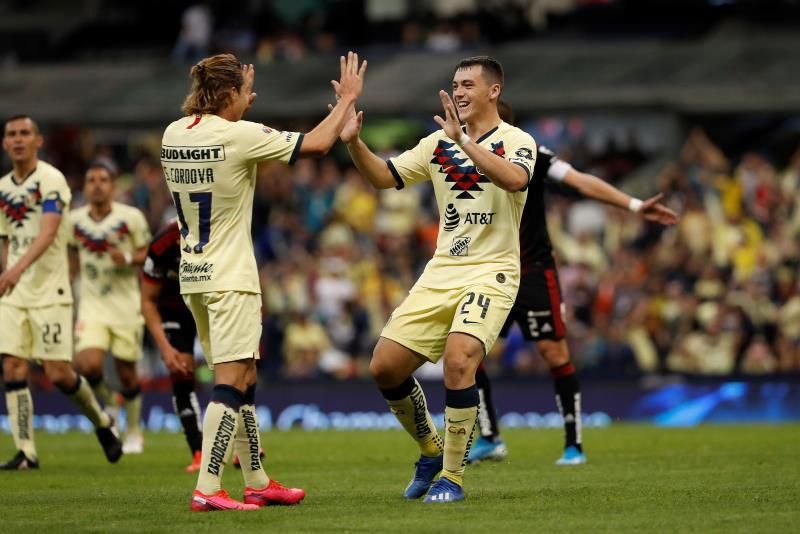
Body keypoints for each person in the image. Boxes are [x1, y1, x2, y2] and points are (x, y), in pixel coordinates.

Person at [161, 52, 366, 511]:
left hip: (194, 273)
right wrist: (346, 99)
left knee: (244, 376)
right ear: (232, 93)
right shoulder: (240, 135)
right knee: (231, 382)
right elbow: (315, 144)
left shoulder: (174, 132)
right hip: (232, 277)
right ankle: (209, 488)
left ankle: (256, 479)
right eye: (243, 92)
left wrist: (237, 111)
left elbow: (218, 145)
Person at [338, 56, 535, 503]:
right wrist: (354, 145)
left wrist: (464, 141)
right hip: (442, 270)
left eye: (468, 84)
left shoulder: (517, 140)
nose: (459, 91)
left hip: (492, 271)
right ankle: (430, 450)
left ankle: (452, 478)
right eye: (454, 84)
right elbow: (383, 177)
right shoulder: (435, 144)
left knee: (459, 359)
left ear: (494, 91)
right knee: (384, 367)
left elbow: (515, 179)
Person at [468, 101, 679, 465]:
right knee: (468, 352)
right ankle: (489, 437)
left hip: (532, 270)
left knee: (554, 353)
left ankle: (573, 444)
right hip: (486, 271)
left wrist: (632, 205)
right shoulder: (458, 154)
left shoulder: (530, 151)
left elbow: (579, 180)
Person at [0, 115, 122, 469]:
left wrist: (15, 271)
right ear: (6, 144)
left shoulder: (51, 180)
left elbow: (49, 232)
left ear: (38, 141)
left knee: (57, 373)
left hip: (49, 289)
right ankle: (26, 452)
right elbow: (6, 238)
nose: (18, 139)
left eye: (25, 133)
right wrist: (8, 273)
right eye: (12, 134)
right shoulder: (4, 188)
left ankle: (102, 422)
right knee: (12, 366)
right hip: (15, 291)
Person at [70, 161, 151, 455]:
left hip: (126, 305)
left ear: (113, 185)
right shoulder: (74, 221)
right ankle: (109, 403)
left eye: (103, 179)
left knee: (127, 373)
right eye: (91, 179)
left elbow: (148, 252)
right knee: (87, 364)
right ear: (84, 187)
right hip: (91, 305)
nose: (97, 184)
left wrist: (128, 257)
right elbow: (68, 253)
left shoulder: (131, 218)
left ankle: (133, 431)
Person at [141, 219, 204, 472]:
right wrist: (165, 348)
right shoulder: (161, 245)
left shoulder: (218, 232)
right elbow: (147, 301)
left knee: (233, 367)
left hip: (212, 304)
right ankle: (198, 452)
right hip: (175, 309)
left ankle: (244, 445)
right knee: (181, 371)